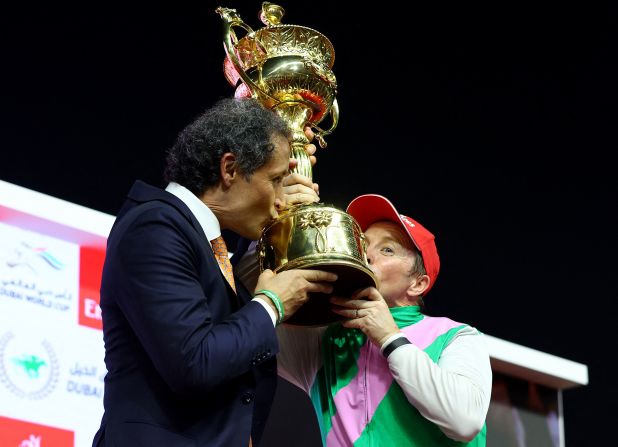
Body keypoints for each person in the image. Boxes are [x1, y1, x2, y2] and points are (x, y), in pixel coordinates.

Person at [92, 97, 338, 447]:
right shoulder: (154, 225)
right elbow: (195, 362)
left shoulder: (208, 245)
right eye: (275, 180)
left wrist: (284, 232)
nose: (281, 200)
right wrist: (272, 303)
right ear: (230, 169)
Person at [241, 192, 492, 446]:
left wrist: (389, 337)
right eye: (362, 243)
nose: (367, 255)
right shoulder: (323, 337)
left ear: (418, 283)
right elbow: (250, 298)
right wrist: (275, 219)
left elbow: (465, 421)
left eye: (387, 249)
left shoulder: (456, 336)